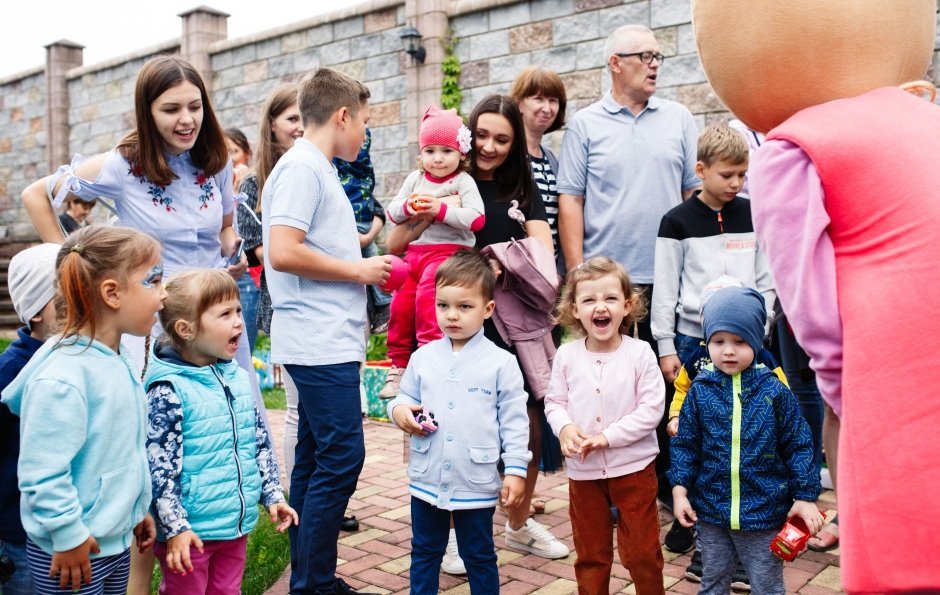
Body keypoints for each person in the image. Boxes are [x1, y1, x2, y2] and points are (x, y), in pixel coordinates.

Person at [20, 56, 254, 594]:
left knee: (206, 447)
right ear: (146, 113)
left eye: (194, 106)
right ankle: (137, 583)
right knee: (150, 456)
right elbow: (39, 194)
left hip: (211, 319)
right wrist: (71, 263)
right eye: (171, 109)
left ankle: (207, 549)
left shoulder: (214, 161)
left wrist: (230, 253)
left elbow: (221, 230)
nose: (186, 119)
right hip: (149, 322)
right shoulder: (124, 166)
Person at [386, 95, 569, 572]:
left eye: (502, 139)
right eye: (482, 135)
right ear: (467, 136)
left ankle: (518, 520)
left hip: (510, 315)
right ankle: (446, 529)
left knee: (525, 417)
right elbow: (394, 243)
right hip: (450, 315)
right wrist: (429, 212)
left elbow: (542, 251)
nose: (490, 146)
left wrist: (513, 253)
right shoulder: (440, 180)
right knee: (443, 415)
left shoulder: (518, 187)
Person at [556, 24, 700, 547]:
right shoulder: (587, 126)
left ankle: (669, 495)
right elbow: (570, 199)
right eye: (645, 56)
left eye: (658, 56)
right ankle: (612, 491)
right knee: (610, 388)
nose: (655, 63)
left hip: (670, 276)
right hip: (608, 286)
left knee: (671, 392)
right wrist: (580, 276)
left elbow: (692, 194)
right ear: (616, 62)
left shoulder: (679, 118)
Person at [262, 67, 389, 595]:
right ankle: (313, 583)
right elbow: (284, 251)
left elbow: (313, 246)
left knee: (315, 464)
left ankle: (313, 580)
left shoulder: (316, 168)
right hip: (317, 345)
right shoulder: (303, 170)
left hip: (324, 340)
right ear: (341, 116)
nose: (364, 133)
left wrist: (365, 250)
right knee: (343, 457)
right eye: (362, 121)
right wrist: (360, 270)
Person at [0, 226, 161, 594]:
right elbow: (42, 473)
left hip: (114, 539)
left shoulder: (114, 358)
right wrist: (67, 535)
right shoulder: (63, 377)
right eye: (153, 280)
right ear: (111, 293)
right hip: (74, 550)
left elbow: (114, 451)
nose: (163, 294)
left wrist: (135, 511)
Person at [145, 269, 297, 594]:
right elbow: (159, 472)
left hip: (232, 524)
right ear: (187, 330)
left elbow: (258, 442)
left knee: (228, 591)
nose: (239, 322)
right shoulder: (168, 390)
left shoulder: (238, 377)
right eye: (225, 314)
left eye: (238, 310)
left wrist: (271, 493)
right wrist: (175, 528)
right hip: (191, 532)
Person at [387, 250, 531, 594]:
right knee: (424, 551)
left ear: (488, 309)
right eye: (443, 305)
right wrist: (401, 412)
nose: (452, 315)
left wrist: (515, 470)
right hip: (427, 479)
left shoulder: (501, 363)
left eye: (464, 306)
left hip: (475, 481)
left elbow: (514, 422)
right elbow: (403, 398)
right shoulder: (423, 358)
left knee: (479, 554)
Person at [668, 286, 823, 595]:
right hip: (712, 513)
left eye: (739, 341)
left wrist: (805, 496)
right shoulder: (700, 391)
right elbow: (685, 445)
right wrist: (679, 490)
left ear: (756, 341)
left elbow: (799, 445)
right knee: (712, 583)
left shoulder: (774, 391)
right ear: (707, 342)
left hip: (765, 513)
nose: (728, 350)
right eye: (719, 341)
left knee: (766, 585)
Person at [544, 256, 665, 594]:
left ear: (627, 305)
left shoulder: (640, 354)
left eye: (610, 298)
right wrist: (565, 428)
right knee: (591, 554)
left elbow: (651, 410)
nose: (601, 307)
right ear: (574, 308)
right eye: (589, 299)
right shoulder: (566, 357)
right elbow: (554, 403)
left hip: (634, 471)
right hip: (584, 474)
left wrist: (607, 438)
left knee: (641, 552)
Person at [380, 105, 484, 399]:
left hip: (449, 254)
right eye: (430, 150)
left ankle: (429, 357)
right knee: (401, 302)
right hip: (415, 253)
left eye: (446, 151)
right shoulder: (415, 179)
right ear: (421, 153)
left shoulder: (462, 182)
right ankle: (399, 364)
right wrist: (409, 207)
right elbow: (392, 212)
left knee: (430, 292)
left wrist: (440, 210)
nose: (438, 158)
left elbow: (477, 218)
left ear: (460, 154)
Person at [0, 243, 60, 595]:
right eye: (66, 297)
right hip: (20, 533)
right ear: (36, 312)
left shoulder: (82, 358)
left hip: (70, 526)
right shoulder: (11, 372)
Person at [509, 67, 567, 272]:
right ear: (519, 103)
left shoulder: (552, 159)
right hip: (518, 268)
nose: (547, 108)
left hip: (550, 270)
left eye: (553, 100)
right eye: (538, 98)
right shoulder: (508, 156)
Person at [334, 128, 390, 337]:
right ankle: (383, 306)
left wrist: (366, 239)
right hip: (362, 219)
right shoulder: (362, 165)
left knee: (370, 261)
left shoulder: (338, 163)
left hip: (357, 223)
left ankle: (383, 306)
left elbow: (380, 211)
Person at [225, 127, 261, 352]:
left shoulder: (250, 181)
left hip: (248, 274)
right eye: (225, 153)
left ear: (247, 153)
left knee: (243, 341)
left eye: (234, 151)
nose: (230, 159)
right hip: (222, 270)